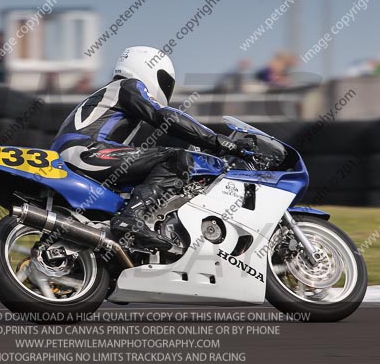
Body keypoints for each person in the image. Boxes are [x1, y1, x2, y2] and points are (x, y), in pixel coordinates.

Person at [51, 46, 253, 251]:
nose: (166, 88)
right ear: (147, 68)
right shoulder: (128, 85)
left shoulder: (111, 96)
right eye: (165, 81)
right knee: (176, 159)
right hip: (86, 151)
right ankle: (132, 218)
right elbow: (163, 116)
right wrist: (216, 140)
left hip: (78, 152)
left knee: (150, 167)